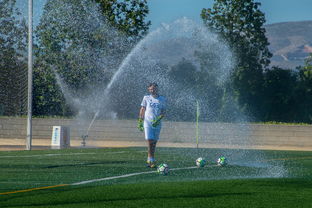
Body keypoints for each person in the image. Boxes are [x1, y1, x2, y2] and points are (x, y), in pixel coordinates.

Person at [138, 83, 166, 168]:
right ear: (148, 90)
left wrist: (158, 119)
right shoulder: (146, 98)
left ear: (157, 89)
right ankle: (150, 159)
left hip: (157, 123)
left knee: (154, 142)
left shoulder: (162, 99)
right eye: (151, 89)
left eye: (154, 89)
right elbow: (143, 109)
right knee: (150, 140)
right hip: (147, 122)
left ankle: (152, 158)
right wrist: (140, 120)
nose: (152, 90)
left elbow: (163, 112)